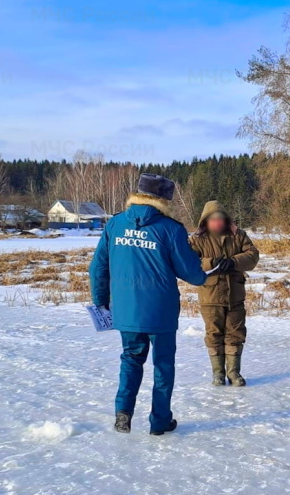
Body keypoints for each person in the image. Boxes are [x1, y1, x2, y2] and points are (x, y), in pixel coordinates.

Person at [89, 173, 207, 435]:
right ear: (165, 199)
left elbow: (98, 267)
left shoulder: (115, 224)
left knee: (130, 360)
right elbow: (193, 274)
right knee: (163, 366)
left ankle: (123, 414)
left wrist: (101, 302)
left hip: (126, 310)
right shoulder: (171, 228)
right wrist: (203, 272)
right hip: (160, 313)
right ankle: (159, 421)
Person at [189, 201, 260, 387]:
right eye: (213, 219)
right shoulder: (197, 240)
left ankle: (234, 373)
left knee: (236, 334)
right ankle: (218, 373)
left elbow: (253, 255)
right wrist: (210, 263)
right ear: (205, 221)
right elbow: (188, 263)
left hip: (235, 295)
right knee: (214, 335)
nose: (217, 223)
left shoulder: (238, 235)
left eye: (220, 218)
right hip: (210, 296)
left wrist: (235, 262)